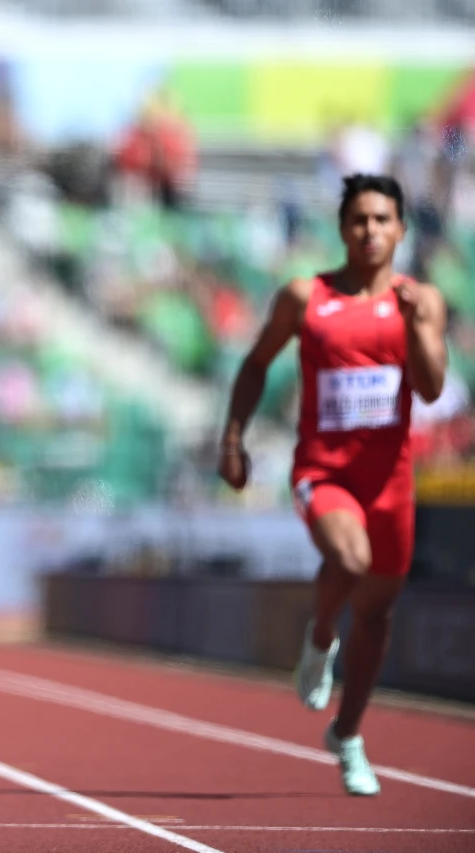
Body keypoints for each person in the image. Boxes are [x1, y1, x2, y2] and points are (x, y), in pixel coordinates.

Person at [219, 174, 448, 796]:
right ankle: (320, 635)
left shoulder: (420, 300)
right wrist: (234, 438)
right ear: (342, 229)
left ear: (401, 230)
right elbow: (256, 362)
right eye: (359, 220)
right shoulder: (305, 296)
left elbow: (430, 388)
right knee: (350, 557)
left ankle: (347, 735)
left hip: (391, 484)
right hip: (322, 471)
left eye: (382, 220)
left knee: (376, 614)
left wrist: (416, 329)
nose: (370, 231)